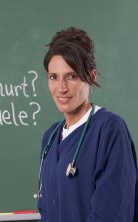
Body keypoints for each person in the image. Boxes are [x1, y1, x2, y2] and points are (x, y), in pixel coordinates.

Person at [37, 27, 138, 221]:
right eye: (54, 77)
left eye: (72, 76)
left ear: (91, 77)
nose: (61, 88)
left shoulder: (109, 130)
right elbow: (46, 209)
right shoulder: (50, 138)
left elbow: (113, 213)